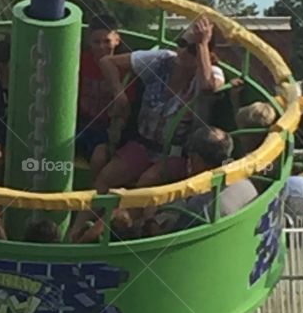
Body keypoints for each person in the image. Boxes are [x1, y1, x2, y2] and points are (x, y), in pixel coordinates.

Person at [95, 16, 224, 191]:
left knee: (146, 183)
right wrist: (120, 95)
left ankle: (126, 218)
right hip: (143, 145)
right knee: (106, 177)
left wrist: (202, 44)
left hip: (177, 154)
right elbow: (107, 62)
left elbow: (207, 87)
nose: (184, 52)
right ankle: (86, 218)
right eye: (182, 43)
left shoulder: (212, 73)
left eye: (193, 49)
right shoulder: (163, 59)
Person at [154, 126, 258, 230]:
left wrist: (150, 221)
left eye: (190, 156)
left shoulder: (198, 207)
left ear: (196, 159)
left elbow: (174, 237)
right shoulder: (245, 182)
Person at [75, 18, 136, 178]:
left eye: (106, 41)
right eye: (96, 42)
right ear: (89, 41)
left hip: (105, 128)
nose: (101, 47)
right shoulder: (79, 62)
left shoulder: (125, 71)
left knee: (100, 156)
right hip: (79, 122)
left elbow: (127, 111)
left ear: (117, 40)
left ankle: (93, 197)